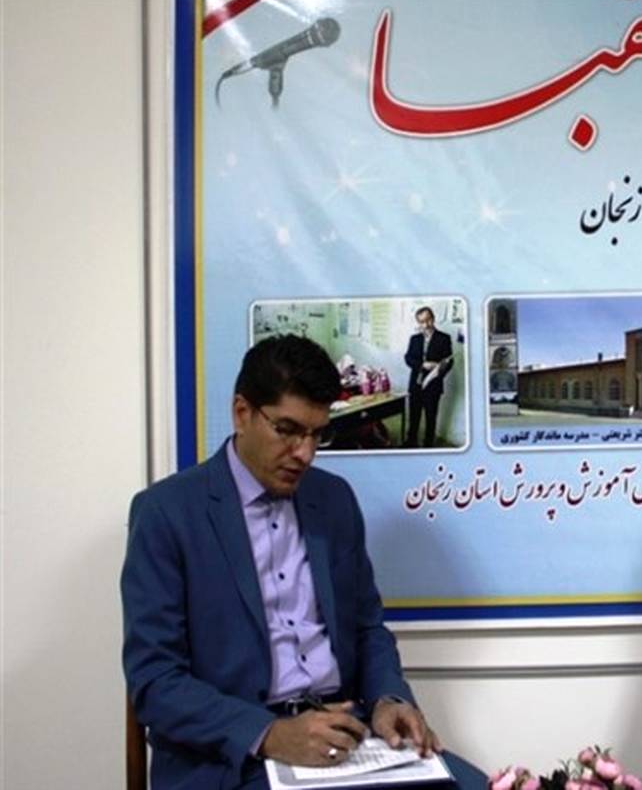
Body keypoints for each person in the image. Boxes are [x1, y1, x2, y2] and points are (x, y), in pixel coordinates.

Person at [121, 335, 485, 789]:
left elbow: (367, 629)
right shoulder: (167, 513)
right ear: (241, 413)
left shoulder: (333, 500)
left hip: (346, 735)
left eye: (317, 434)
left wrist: (388, 699)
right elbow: (155, 681)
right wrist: (270, 734)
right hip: (233, 758)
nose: (305, 453)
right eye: (288, 430)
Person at [404, 305, 454, 448]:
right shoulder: (414, 339)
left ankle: (428, 445)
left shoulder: (444, 338)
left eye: (428, 320)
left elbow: (449, 362)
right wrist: (423, 365)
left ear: (433, 318)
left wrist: (438, 368)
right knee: (414, 416)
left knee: (430, 417)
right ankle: (411, 442)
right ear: (418, 323)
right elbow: (408, 358)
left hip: (433, 385)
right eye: (422, 322)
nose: (426, 325)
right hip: (416, 384)